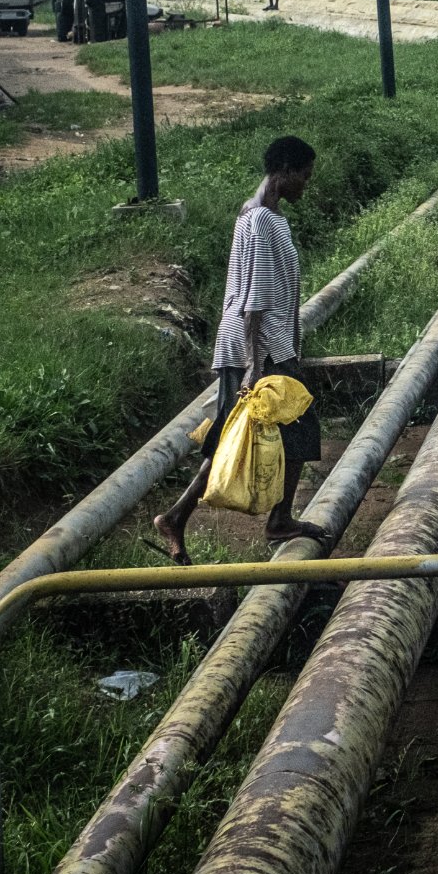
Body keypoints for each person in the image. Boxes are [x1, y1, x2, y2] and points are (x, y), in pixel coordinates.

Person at [154, 135, 328, 563]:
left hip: (267, 342)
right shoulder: (261, 221)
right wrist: (255, 364)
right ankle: (277, 519)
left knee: (234, 433)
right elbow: (255, 299)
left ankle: (178, 516)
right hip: (260, 344)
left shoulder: (260, 215)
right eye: (303, 177)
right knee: (299, 427)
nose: (306, 185)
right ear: (284, 171)